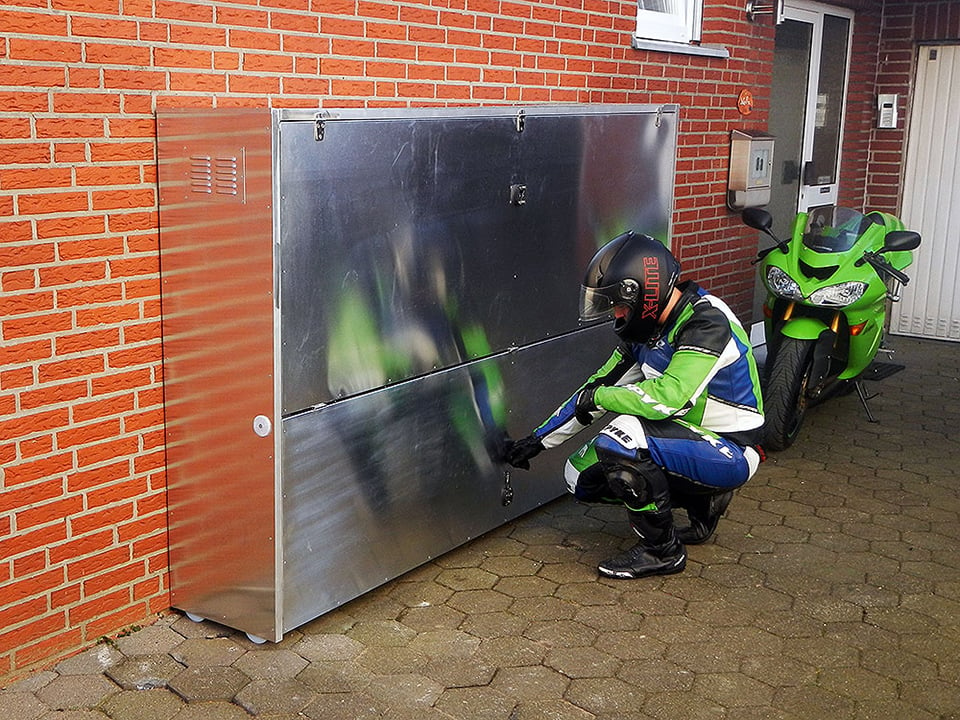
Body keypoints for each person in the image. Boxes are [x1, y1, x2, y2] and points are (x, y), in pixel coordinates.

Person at [505, 231, 764, 579]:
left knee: (623, 438)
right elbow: (594, 390)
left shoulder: (706, 321)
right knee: (579, 478)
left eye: (619, 303)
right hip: (687, 441)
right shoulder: (647, 332)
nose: (616, 312)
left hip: (732, 449)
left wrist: (601, 398)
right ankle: (703, 502)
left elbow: (668, 398)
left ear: (644, 291)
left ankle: (663, 552)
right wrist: (537, 441)